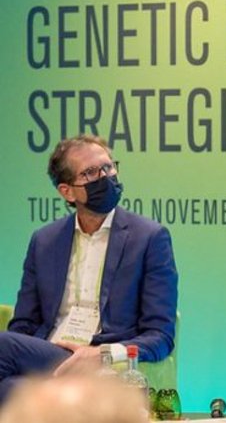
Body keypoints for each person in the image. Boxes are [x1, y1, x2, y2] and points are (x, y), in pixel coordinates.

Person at [0, 135, 178, 404]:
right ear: (67, 191)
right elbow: (23, 325)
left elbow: (161, 336)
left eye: (108, 167)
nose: (104, 177)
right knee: (9, 381)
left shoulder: (149, 238)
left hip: (101, 361)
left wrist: (103, 353)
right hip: (50, 354)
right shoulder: (44, 240)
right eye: (90, 173)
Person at [0, 374, 148, 423]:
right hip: (46, 347)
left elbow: (159, 335)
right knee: (10, 385)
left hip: (102, 351)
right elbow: (23, 324)